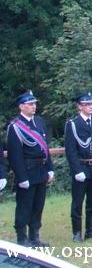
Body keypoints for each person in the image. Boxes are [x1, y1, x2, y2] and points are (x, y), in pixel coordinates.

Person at [6, 90, 54, 247]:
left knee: (38, 205)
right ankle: (22, 238)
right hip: (27, 170)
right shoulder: (15, 126)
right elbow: (15, 155)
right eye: (30, 104)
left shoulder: (39, 121)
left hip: (41, 169)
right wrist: (21, 177)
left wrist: (50, 169)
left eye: (34, 104)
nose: (34, 106)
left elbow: (45, 148)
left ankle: (35, 236)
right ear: (21, 106)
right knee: (24, 206)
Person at [64, 93, 92, 242]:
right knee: (77, 203)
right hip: (81, 167)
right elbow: (71, 150)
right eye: (87, 104)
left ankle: (91, 230)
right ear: (79, 106)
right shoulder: (73, 124)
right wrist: (76, 170)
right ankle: (76, 233)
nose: (90, 107)